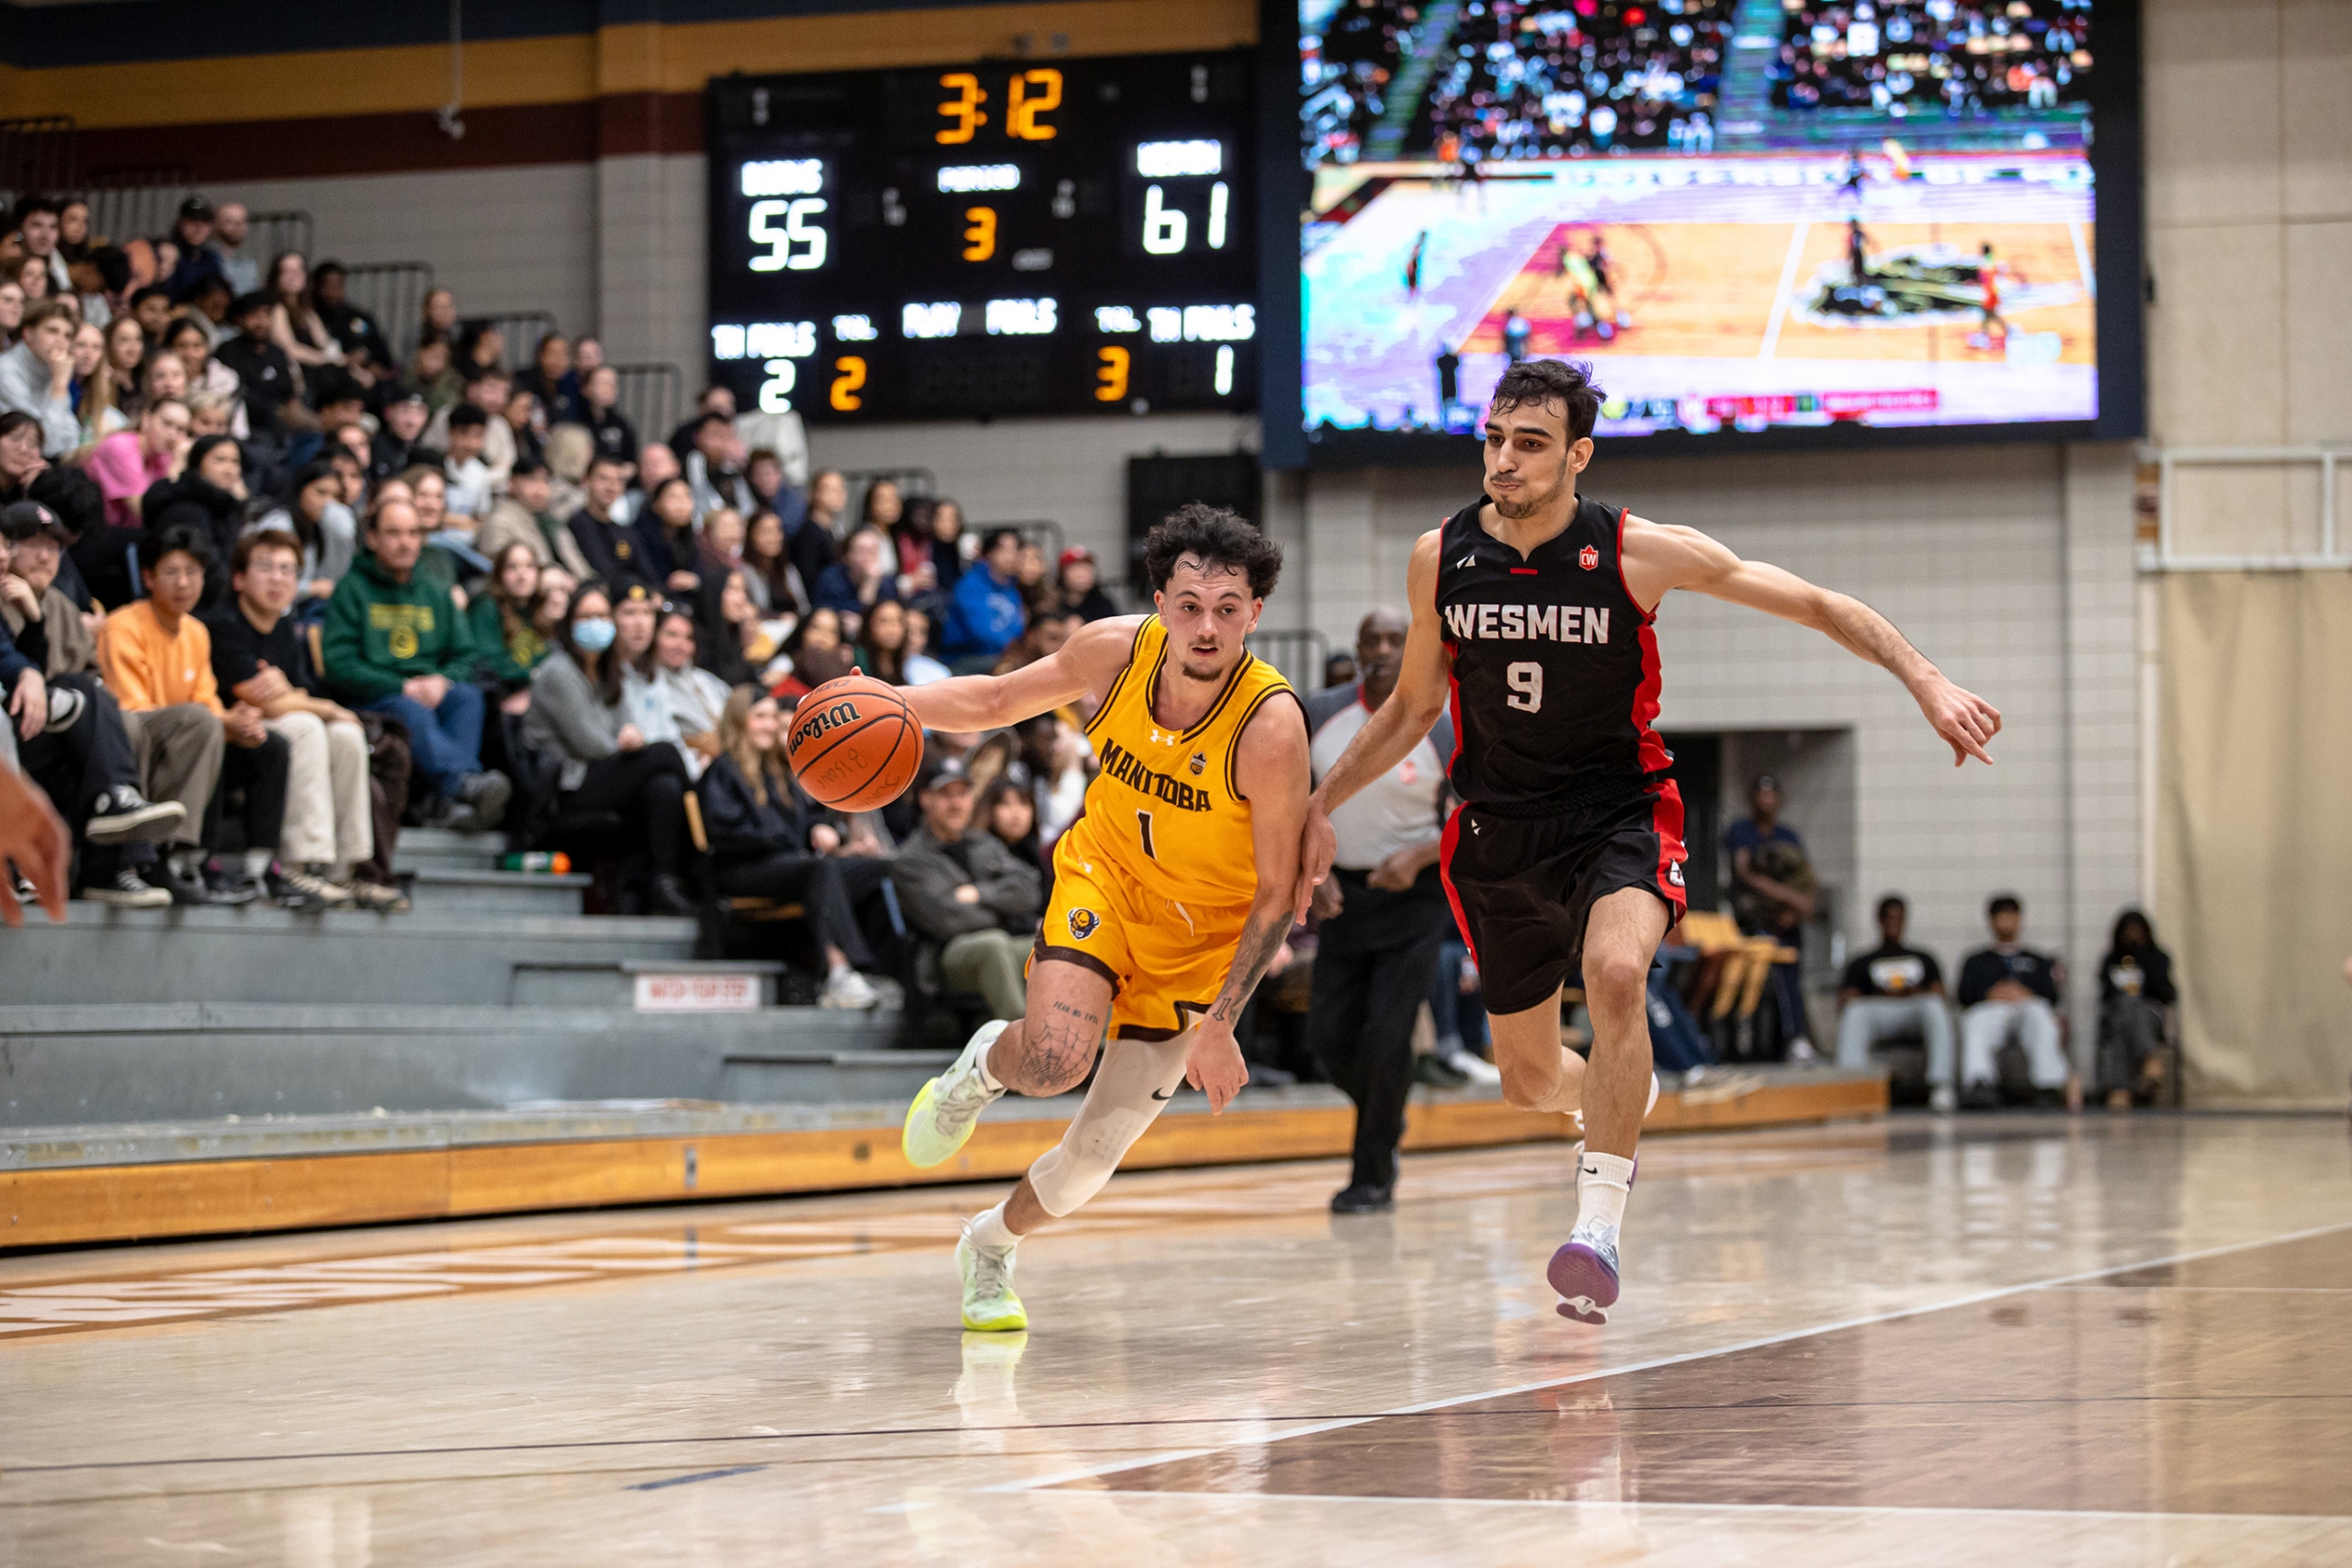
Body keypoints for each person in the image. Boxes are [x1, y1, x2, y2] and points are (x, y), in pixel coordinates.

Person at [1297, 357, 2001, 1325]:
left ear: (1577, 455)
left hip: (1618, 811)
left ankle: (1595, 1228)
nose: (1504, 459)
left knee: (1620, 976)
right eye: (1495, 439)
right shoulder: (1439, 556)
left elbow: (1815, 601)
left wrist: (1925, 680)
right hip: (1498, 829)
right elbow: (1415, 704)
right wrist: (1318, 801)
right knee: (1529, 1081)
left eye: (1530, 443)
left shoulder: (1638, 552)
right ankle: (1621, 1095)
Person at [896, 503, 1307, 1333]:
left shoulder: (1269, 727)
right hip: (1106, 884)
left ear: (1254, 614)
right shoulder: (1111, 653)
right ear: (1160, 601)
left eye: (1228, 609)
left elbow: (1277, 893)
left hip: (1197, 948)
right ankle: (983, 1065)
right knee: (1050, 1059)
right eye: (1189, 605)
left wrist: (1223, 1020)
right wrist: (887, 699)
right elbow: (995, 699)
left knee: (1089, 1160)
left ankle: (989, 1243)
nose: (1206, 626)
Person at [1304, 606, 1463, 1213]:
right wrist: (1310, 875)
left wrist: (1422, 856)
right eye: (1373, 638)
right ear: (1357, 645)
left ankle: (1371, 1176)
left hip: (1415, 899)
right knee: (1327, 1037)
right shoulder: (1321, 714)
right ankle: (1386, 1113)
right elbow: (1291, 805)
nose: (1384, 648)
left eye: (1397, 638)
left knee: (1387, 1037)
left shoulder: (1443, 721)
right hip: (1341, 894)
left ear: (1414, 647)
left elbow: (1475, 816)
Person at [99, 526, 307, 907]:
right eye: (171, 572)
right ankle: (183, 858)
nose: (183, 583)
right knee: (207, 729)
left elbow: (207, 701)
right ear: (148, 577)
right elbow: (130, 709)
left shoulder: (196, 632)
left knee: (267, 743)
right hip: (136, 738)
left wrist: (238, 722)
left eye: (192, 572)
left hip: (189, 732)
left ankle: (261, 866)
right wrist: (220, 722)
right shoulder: (123, 626)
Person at [0, 502, 184, 907]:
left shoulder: (61, 607)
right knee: (85, 699)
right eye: (30, 544)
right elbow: (18, 676)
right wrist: (30, 628)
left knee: (94, 716)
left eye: (54, 546)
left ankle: (111, 867)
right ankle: (119, 841)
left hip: (45, 733)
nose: (45, 556)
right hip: (16, 737)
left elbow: (80, 675)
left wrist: (33, 619)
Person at [204, 529, 385, 908]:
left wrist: (292, 694)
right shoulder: (223, 625)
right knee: (307, 727)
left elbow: (296, 695)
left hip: (268, 729)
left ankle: (343, 870)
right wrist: (329, 707)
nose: (278, 579)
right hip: (231, 738)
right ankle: (295, 863)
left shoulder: (285, 628)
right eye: (266, 568)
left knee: (346, 736)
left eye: (288, 570)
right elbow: (269, 705)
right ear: (239, 579)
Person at [321, 499, 510, 831]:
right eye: (393, 533)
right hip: (376, 694)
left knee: (467, 697)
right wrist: (402, 686)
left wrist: (441, 681)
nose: (405, 542)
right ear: (373, 538)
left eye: (413, 533)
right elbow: (339, 664)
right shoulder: (351, 589)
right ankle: (462, 785)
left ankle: (445, 804)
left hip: (430, 689)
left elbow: (465, 654)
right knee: (410, 709)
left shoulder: (435, 590)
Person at [700, 687, 893, 1007]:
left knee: (878, 869)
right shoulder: (723, 770)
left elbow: (808, 824)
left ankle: (881, 972)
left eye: (774, 718)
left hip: (791, 864)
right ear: (738, 721)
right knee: (819, 869)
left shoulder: (781, 773)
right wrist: (777, 841)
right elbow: (723, 833)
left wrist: (822, 830)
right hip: (742, 868)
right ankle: (840, 973)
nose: (770, 725)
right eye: (760, 717)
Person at [519, 583, 694, 915]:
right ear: (569, 623)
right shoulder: (558, 672)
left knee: (664, 787)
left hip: (601, 775)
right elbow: (592, 745)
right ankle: (697, 858)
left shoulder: (608, 671)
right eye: (586, 616)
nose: (594, 623)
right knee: (666, 755)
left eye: (601, 615)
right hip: (565, 785)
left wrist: (630, 739)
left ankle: (665, 884)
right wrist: (626, 742)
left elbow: (629, 728)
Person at [891, 757, 1044, 1023]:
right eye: (945, 795)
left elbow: (1029, 889)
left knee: (1057, 946)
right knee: (993, 945)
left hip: (1003, 940)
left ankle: (1096, 1045)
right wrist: (1005, 912)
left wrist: (980, 894)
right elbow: (947, 919)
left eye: (963, 794)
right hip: (947, 957)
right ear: (925, 799)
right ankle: (1023, 1044)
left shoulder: (981, 842)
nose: (956, 804)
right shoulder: (911, 859)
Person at [1835, 895, 1956, 1111]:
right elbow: (1846, 1000)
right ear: (1879, 921)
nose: (1894, 924)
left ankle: (1941, 1085)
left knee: (1934, 1007)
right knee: (1855, 1013)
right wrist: (1882, 994)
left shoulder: (1923, 958)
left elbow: (1940, 995)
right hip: (1879, 1010)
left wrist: (1913, 992)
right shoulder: (1863, 961)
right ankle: (1853, 1087)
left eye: (1899, 919)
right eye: (1889, 919)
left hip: (1914, 1009)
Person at [1726, 773, 1817, 1059]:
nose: (1766, 799)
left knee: (1789, 979)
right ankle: (1741, 1044)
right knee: (1753, 985)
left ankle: (1793, 1038)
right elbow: (1745, 874)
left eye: (1771, 794)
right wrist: (1792, 898)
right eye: (1760, 793)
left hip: (1786, 923)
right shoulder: (1741, 831)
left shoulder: (1787, 836)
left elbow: (1807, 881)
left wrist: (1794, 909)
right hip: (1753, 921)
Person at [1956, 894, 2070, 1108]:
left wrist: (2025, 994)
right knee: (1974, 1020)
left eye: (2012, 916)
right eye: (2001, 916)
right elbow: (1963, 996)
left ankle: (2049, 1084)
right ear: (1991, 921)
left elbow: (2052, 997)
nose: (2007, 922)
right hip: (1990, 1012)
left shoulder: (2038, 960)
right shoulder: (1976, 960)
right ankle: (1979, 1083)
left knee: (2041, 1014)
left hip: (2026, 1009)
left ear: (2019, 919)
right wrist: (1990, 994)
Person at [141, 434, 250, 610]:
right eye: (220, 460)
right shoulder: (187, 510)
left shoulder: (224, 507)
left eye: (235, 462)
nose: (229, 469)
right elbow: (214, 578)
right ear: (198, 463)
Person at [249, 457, 356, 613]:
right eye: (321, 492)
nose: (328, 503)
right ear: (301, 490)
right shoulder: (279, 525)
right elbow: (262, 582)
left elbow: (334, 576)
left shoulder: (318, 528)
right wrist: (311, 588)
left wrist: (343, 536)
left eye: (335, 497)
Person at [2098, 909, 2177, 1110]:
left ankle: (2119, 1090)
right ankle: (2150, 1058)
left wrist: (2142, 957)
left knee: (2131, 1010)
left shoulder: (2158, 958)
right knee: (2124, 1010)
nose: (2132, 936)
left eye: (2137, 931)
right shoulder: (2111, 960)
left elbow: (2166, 992)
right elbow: (2106, 995)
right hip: (2118, 1013)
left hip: (2150, 1014)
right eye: (2128, 932)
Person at [639, 604, 729, 779]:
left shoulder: (705, 680)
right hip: (691, 771)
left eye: (688, 638)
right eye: (672, 635)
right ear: (654, 637)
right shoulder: (646, 685)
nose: (681, 645)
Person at [568, 453, 666, 596]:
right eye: (603, 479)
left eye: (618, 481)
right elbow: (603, 572)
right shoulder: (578, 524)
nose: (611, 487)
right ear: (586, 480)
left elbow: (649, 575)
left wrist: (654, 593)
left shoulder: (625, 530)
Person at [84, 395, 188, 528]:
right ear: (146, 419)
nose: (173, 435)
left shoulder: (163, 458)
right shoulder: (121, 447)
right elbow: (144, 511)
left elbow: (173, 511)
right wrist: (175, 469)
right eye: (167, 423)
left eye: (181, 429)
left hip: (120, 534)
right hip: (89, 532)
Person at [469, 542, 552, 706]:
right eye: (512, 567)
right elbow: (488, 665)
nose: (522, 575)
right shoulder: (487, 607)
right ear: (499, 574)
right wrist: (533, 676)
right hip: (500, 697)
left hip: (535, 694)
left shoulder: (539, 610)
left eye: (529, 566)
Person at [0, 299, 78, 457]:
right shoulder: (5, 370)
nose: (60, 341)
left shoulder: (53, 369)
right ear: (28, 334)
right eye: (52, 331)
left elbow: (74, 438)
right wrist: (59, 386)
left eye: (67, 335)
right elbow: (46, 444)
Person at [942, 526, 1024, 670]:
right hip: (964, 657)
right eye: (1005, 550)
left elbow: (1017, 627)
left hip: (1000, 655)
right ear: (989, 553)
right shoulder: (970, 584)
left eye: (1016, 550)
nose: (1012, 556)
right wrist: (1011, 646)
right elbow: (979, 630)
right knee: (1015, 668)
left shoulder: (1012, 587)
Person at [812, 525, 898, 637]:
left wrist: (869, 588)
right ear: (847, 555)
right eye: (861, 551)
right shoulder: (830, 578)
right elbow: (820, 612)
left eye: (872, 551)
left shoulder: (887, 583)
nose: (867, 558)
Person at [1052, 545, 1119, 622]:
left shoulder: (1103, 605)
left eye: (1087, 569)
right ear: (1062, 575)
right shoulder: (1051, 605)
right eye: (1075, 569)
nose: (1082, 575)